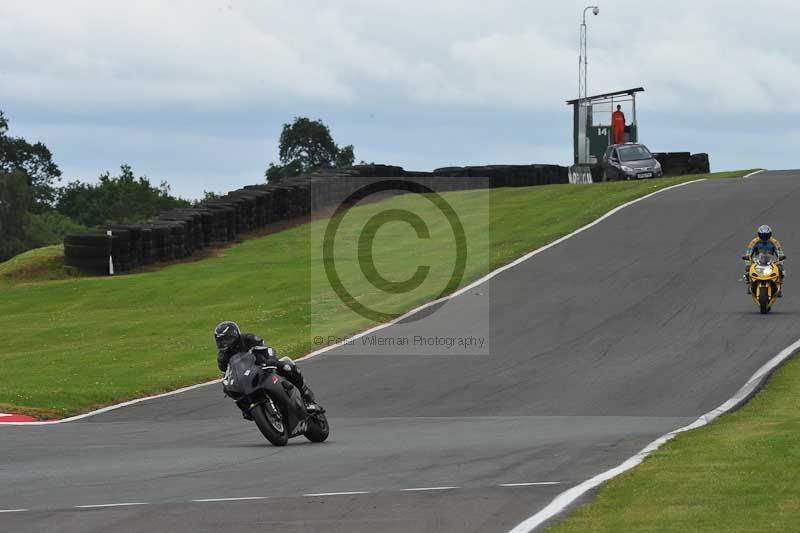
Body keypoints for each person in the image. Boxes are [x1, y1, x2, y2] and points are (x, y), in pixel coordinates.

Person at [214, 321, 320, 408]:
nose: (224, 343)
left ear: (235, 334)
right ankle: (247, 410)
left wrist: (271, 359)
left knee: (287, 365)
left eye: (227, 339)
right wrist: (227, 386)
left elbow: (266, 348)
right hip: (247, 377)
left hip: (262, 365)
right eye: (221, 341)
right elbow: (227, 374)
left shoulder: (247, 338)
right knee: (235, 395)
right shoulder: (222, 357)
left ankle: (304, 393)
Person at [742, 225, 786, 296]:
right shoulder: (754, 242)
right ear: (759, 234)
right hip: (757, 260)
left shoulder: (774, 242)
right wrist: (748, 264)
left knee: (781, 271)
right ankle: (750, 284)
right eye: (762, 235)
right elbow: (748, 252)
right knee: (748, 271)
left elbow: (780, 252)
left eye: (766, 235)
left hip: (770, 261)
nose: (764, 237)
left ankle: (779, 288)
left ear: (770, 234)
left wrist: (780, 263)